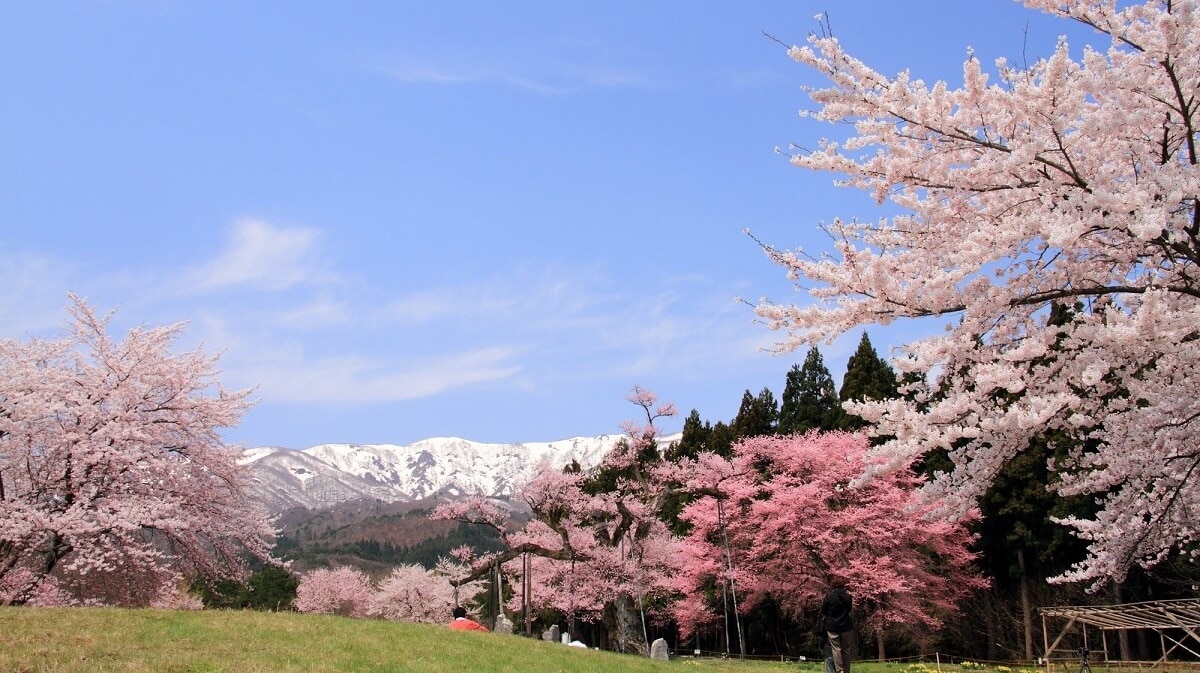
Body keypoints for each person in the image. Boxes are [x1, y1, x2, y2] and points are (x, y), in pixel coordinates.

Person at [821, 577, 853, 673]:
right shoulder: (848, 596)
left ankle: (839, 670)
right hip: (846, 626)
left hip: (832, 626)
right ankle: (847, 670)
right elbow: (849, 609)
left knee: (836, 649)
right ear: (843, 585)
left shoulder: (829, 596)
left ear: (833, 586)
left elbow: (824, 610)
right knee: (846, 650)